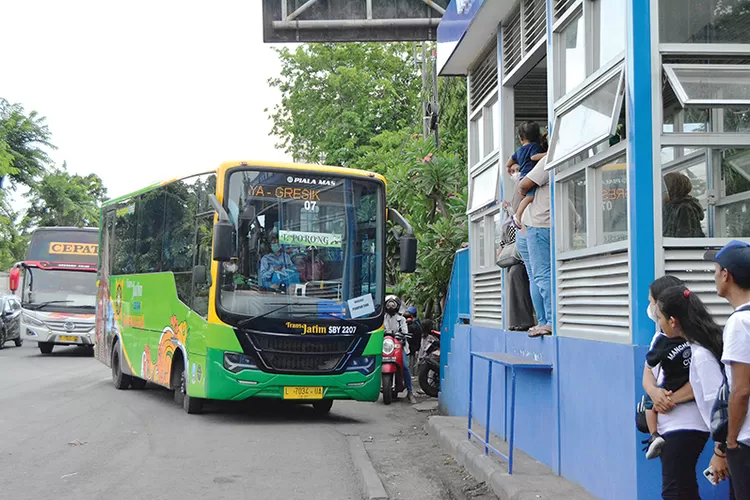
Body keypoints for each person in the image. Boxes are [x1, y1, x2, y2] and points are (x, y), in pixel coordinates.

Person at [657, 285, 731, 489]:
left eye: (660, 319)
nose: (659, 325)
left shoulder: (701, 356)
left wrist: (720, 452)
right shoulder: (700, 347)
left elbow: (723, 406)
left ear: (672, 321)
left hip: (735, 443)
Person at [641, 277, 707, 500]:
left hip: (687, 424)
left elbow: (703, 382)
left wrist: (669, 400)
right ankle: (653, 436)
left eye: (652, 302)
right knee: (682, 487)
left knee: (675, 490)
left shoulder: (697, 339)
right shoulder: (660, 338)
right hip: (668, 424)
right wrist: (654, 393)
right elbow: (648, 375)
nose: (650, 308)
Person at [705, 240, 750, 498]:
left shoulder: (740, 322)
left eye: (715, 271)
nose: (714, 277)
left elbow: (741, 390)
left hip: (746, 440)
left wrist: (730, 442)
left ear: (726, 275)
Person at [518, 153, 552, 337]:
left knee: (540, 275)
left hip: (538, 225)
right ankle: (545, 321)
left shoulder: (547, 160)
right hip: (552, 225)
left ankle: (548, 321)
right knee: (542, 275)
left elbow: (524, 185)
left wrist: (522, 191)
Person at [505, 122, 546, 229]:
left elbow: (509, 161)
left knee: (525, 198)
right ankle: (518, 215)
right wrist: (547, 154)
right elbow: (534, 157)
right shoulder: (534, 146)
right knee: (530, 197)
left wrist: (508, 168)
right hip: (529, 176)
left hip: (522, 176)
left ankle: (521, 216)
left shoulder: (519, 150)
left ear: (520, 138)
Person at [384, 295, 416, 404]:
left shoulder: (401, 319)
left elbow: (405, 331)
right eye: (389, 304)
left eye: (393, 304)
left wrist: (402, 336)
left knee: (406, 367)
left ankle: (410, 392)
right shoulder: (382, 318)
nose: (391, 306)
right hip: (385, 345)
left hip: (399, 345)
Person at [663, 171, 705, 238]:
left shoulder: (685, 208)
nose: (663, 191)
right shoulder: (669, 208)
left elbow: (686, 237)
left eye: (665, 188)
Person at [404, 307, 421, 373]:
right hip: (413, 345)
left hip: (413, 345)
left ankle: (412, 373)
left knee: (412, 360)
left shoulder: (414, 324)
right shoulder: (416, 322)